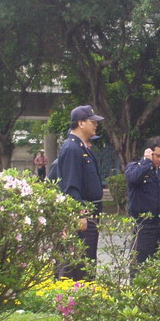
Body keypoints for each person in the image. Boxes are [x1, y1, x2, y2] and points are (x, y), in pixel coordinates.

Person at [58, 105, 105, 280]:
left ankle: (83, 291)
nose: (96, 125)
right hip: (83, 211)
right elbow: (71, 186)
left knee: (87, 258)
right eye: (92, 121)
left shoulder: (82, 147)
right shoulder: (72, 148)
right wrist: (79, 213)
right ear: (80, 123)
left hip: (91, 210)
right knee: (79, 261)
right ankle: (73, 293)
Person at [125, 136, 160, 269]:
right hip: (143, 224)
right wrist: (146, 162)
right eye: (157, 156)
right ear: (148, 152)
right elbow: (133, 179)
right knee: (140, 264)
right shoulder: (136, 167)